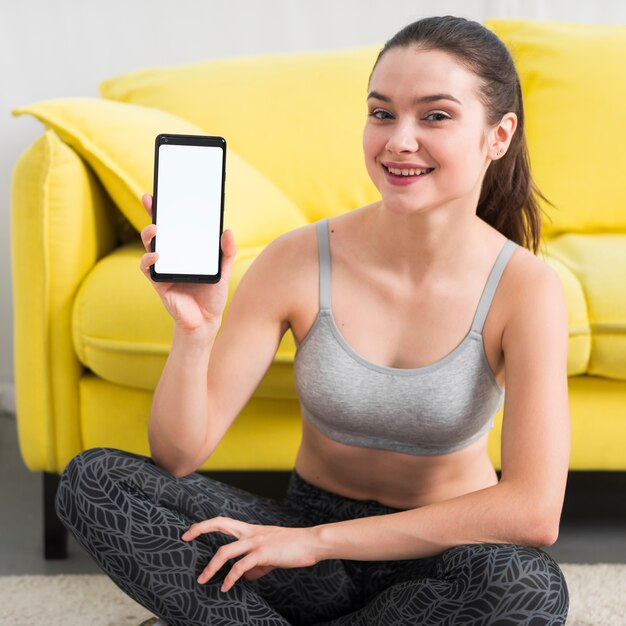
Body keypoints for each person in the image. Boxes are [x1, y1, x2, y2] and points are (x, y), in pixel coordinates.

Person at [55, 15, 570, 626]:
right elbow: (177, 454)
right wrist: (194, 333)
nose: (399, 141)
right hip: (300, 551)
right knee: (94, 481)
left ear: (498, 135)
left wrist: (320, 541)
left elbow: (533, 513)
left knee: (527, 586)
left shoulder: (526, 288)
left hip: (434, 552)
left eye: (435, 116)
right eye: (382, 113)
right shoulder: (297, 259)